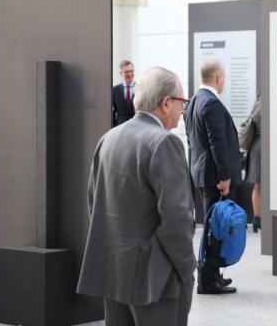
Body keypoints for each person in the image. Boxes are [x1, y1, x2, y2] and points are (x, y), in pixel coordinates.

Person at [77, 67, 196, 326]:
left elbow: (93, 203)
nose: (182, 111)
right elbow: (177, 220)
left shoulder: (108, 139)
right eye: (182, 102)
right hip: (156, 280)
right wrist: (187, 270)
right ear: (166, 103)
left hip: (115, 274)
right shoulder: (165, 143)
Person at [185, 59, 242, 294]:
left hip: (201, 174)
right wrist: (224, 176)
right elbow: (217, 143)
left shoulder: (194, 102)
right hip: (214, 177)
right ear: (219, 78)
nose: (224, 81)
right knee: (214, 230)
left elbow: (192, 141)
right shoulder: (212, 104)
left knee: (212, 226)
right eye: (224, 77)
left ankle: (212, 275)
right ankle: (208, 280)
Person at [245, 95, 262, 232]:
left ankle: (257, 218)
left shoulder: (256, 105)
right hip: (268, 146)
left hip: (256, 147)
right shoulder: (272, 105)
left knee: (258, 186)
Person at [112, 60, 136, 126]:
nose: (129, 74)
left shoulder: (140, 88)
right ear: (120, 73)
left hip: (137, 127)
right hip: (120, 127)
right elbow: (112, 111)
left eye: (131, 71)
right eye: (126, 72)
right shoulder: (115, 90)